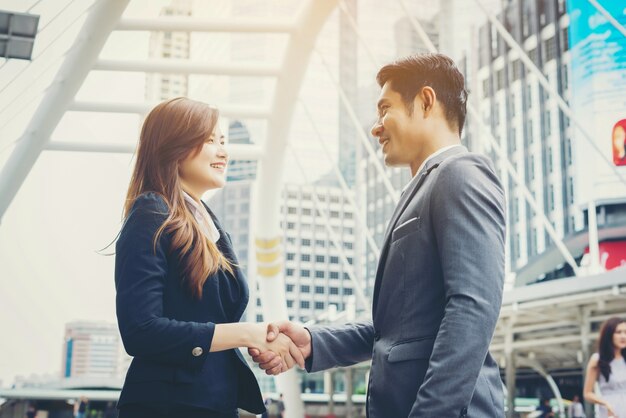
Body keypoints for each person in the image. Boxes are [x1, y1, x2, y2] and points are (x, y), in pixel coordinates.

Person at [251, 53, 506, 417]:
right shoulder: (425, 188)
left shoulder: (460, 174)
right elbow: (399, 328)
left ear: (426, 101)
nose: (376, 127)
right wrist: (313, 341)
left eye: (385, 108)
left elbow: (473, 308)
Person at [115, 97, 304, 418]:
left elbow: (212, 319)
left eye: (224, 141)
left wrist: (260, 344)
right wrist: (246, 333)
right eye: (209, 140)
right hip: (167, 406)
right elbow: (141, 330)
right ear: (173, 146)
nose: (223, 152)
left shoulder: (208, 222)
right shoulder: (151, 212)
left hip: (214, 403)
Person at [583, 317, 626, 418]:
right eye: (618, 332)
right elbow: (587, 393)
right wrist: (605, 403)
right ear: (609, 335)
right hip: (611, 411)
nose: (623, 336)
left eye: (625, 332)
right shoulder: (597, 360)